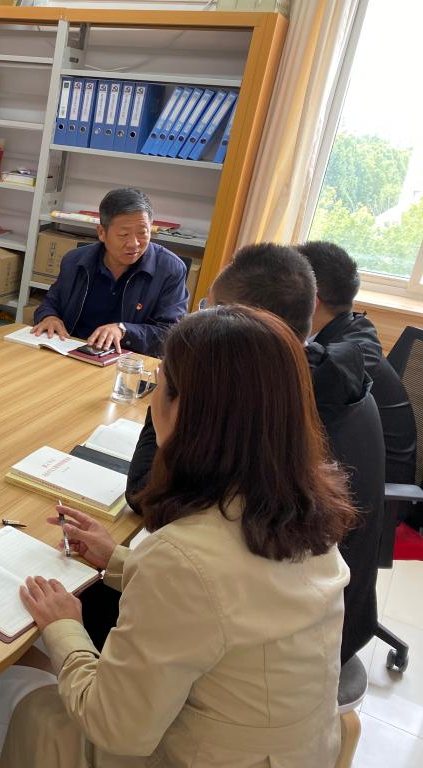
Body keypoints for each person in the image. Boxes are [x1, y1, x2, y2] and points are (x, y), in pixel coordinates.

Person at [0, 306, 355, 767]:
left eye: (159, 384)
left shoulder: (183, 556)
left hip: (198, 756)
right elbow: (231, 600)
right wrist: (117, 559)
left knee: (21, 687)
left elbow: (115, 727)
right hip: (296, 750)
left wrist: (65, 625)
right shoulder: (301, 511)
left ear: (186, 410)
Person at [127, 243, 385, 664]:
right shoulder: (328, 376)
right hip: (331, 615)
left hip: (285, 643)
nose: (199, 319)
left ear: (233, 330)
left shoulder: (266, 405)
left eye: (209, 310)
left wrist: (170, 391)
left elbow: (146, 495)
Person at [297, 240, 416, 486]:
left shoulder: (351, 355)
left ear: (311, 301)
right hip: (337, 473)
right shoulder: (343, 330)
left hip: (373, 495)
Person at [31, 188, 189, 356]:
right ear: (101, 232)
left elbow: (170, 334)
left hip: (128, 361)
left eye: (143, 233)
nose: (134, 244)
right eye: (123, 234)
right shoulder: (75, 261)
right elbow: (50, 303)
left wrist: (124, 330)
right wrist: (49, 317)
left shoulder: (170, 270)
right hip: (73, 351)